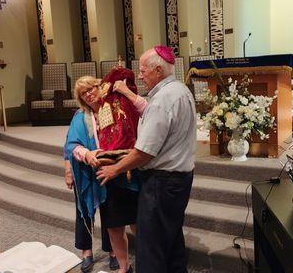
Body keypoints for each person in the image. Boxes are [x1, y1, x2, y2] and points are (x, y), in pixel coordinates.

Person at [97, 46, 197, 273]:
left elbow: (145, 152)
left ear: (158, 70)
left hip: (162, 182)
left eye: (143, 71)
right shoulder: (180, 90)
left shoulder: (163, 99)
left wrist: (115, 169)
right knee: (171, 242)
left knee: (151, 249)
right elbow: (151, 118)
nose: (140, 76)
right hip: (178, 179)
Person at [66, 72, 147, 273]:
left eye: (90, 88)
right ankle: (123, 267)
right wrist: (87, 154)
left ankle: (147, 265)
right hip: (104, 178)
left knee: (138, 224)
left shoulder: (115, 105)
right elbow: (71, 145)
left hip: (129, 171)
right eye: (83, 93)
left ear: (99, 86)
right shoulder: (81, 117)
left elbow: (137, 120)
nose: (88, 94)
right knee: (113, 226)